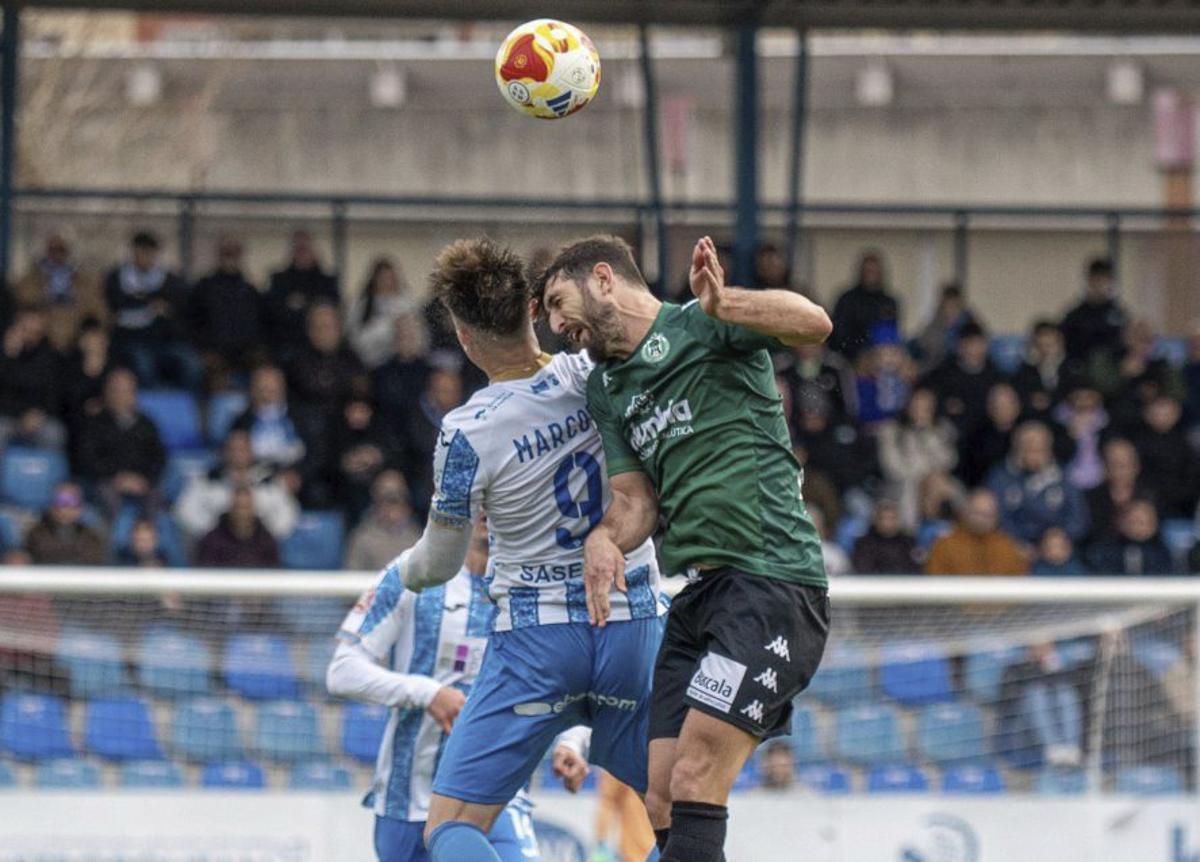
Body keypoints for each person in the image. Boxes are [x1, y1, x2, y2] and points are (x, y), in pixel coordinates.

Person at [538, 234, 831, 862]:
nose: (558, 326)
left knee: (698, 778)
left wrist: (729, 306)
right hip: (698, 596)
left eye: (559, 303)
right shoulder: (607, 388)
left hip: (770, 582)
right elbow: (635, 503)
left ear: (603, 278)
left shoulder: (705, 323)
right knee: (662, 797)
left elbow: (814, 324)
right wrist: (602, 539)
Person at [391, 238, 663, 862]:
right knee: (679, 815)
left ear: (464, 337)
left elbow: (438, 563)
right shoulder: (597, 369)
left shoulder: (465, 431)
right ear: (535, 312)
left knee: (451, 826)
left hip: (538, 643)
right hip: (634, 620)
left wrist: (401, 574)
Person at [328, 519, 588, 862]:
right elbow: (342, 670)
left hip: (498, 796)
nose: (486, 509)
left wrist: (571, 740)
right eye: (480, 493)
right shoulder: (412, 573)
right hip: (406, 798)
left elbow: (572, 682)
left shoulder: (541, 589)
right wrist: (427, 693)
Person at [103, 230, 201, 390]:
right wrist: (147, 308)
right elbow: (116, 311)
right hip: (130, 343)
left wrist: (166, 312)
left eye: (150, 253)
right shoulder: (116, 279)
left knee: (191, 363)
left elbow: (178, 311)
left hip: (164, 342)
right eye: (141, 252)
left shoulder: (169, 280)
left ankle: (184, 407)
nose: (145, 257)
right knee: (144, 365)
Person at [174, 429, 299, 542]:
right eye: (233, 449)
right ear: (224, 452)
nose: (238, 454)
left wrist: (263, 535)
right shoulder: (207, 480)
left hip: (260, 548)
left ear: (251, 452)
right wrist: (214, 532)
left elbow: (287, 514)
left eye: (242, 449)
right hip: (216, 548)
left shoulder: (269, 481)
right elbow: (185, 511)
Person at [76, 368, 166, 516]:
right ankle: (109, 538)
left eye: (126, 391)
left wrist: (144, 479)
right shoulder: (93, 425)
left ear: (134, 394)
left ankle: (147, 537)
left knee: (155, 496)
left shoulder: (147, 424)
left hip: (140, 481)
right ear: (106, 393)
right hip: (106, 481)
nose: (120, 396)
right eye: (115, 390)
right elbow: (87, 459)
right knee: (107, 497)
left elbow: (158, 457)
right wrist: (116, 477)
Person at [985, 421, 1089, 545]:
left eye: (1039, 447)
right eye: (1027, 446)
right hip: (1012, 547)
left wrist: (1060, 538)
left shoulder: (1063, 476)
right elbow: (995, 518)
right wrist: (1018, 543)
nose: (1033, 452)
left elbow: (1079, 518)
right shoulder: (999, 477)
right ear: (1016, 447)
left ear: (1048, 449)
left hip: (1057, 548)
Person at [187, 237, 265, 389]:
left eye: (233, 253)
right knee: (212, 374)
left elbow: (262, 326)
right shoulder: (203, 288)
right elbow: (191, 323)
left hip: (246, 353)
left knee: (264, 369)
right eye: (226, 252)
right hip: (213, 354)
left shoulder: (250, 292)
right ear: (219, 255)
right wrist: (203, 351)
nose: (230, 257)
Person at [877, 388, 960, 531]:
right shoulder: (891, 431)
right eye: (916, 405)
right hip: (902, 488)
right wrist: (923, 477)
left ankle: (948, 531)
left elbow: (949, 462)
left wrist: (928, 435)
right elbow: (893, 469)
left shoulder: (942, 430)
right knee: (928, 484)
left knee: (943, 484)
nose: (920, 411)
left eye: (926, 407)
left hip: (936, 487)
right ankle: (911, 534)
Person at [12, 233, 106, 353]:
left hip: (75, 342)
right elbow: (22, 301)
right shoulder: (32, 280)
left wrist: (88, 330)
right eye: (52, 250)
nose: (56, 255)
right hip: (40, 342)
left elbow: (98, 310)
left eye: (61, 250)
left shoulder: (83, 282)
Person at [919, 320, 1005, 443]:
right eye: (969, 344)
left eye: (978, 343)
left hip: (986, 432)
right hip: (951, 433)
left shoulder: (995, 374)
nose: (973, 349)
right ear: (960, 346)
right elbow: (928, 393)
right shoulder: (944, 371)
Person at [263, 229, 340, 363]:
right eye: (299, 249)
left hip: (322, 349)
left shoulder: (327, 281)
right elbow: (276, 314)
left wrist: (299, 306)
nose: (302, 254)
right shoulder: (279, 280)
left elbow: (331, 311)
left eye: (305, 249)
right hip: (288, 346)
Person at [0, 305, 66, 451]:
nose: (30, 336)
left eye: (36, 332)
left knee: (55, 433)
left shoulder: (49, 356)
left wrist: (39, 413)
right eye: (26, 330)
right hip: (8, 416)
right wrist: (7, 355)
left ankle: (47, 475)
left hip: (38, 418)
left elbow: (54, 394)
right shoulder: (5, 353)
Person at [924, 489, 1028, 576]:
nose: (982, 519)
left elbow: (1019, 585)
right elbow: (935, 584)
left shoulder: (1007, 547)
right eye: (977, 513)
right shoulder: (944, 545)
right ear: (966, 512)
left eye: (988, 515)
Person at [344, 470, 422, 571]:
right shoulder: (361, 539)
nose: (393, 505)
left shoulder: (418, 537)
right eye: (388, 498)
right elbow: (351, 577)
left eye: (399, 497)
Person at [829, 250, 900, 361]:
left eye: (874, 272)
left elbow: (890, 336)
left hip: (880, 359)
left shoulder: (889, 302)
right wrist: (859, 356)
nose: (871, 276)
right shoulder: (847, 300)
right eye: (868, 271)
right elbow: (839, 335)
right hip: (848, 358)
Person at [349, 257, 418, 369]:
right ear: (374, 279)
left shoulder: (406, 304)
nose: (387, 282)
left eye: (390, 278)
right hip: (368, 362)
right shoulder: (361, 305)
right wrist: (388, 324)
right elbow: (356, 339)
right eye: (383, 278)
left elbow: (417, 336)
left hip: (399, 364)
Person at [1084, 438, 1155, 546]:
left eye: (1126, 464)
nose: (1121, 470)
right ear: (1105, 467)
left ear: (1137, 466)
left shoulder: (1150, 495)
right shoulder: (1092, 497)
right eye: (1115, 464)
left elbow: (1153, 533)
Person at [1058, 257, 1127, 366]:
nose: (1101, 285)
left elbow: (1126, 346)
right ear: (1089, 281)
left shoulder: (1119, 314)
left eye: (1106, 280)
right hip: (1081, 372)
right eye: (1097, 280)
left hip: (1113, 373)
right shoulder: (1074, 316)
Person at [193, 486, 282, 569]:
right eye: (238, 507)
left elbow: (274, 575)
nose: (241, 513)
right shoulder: (212, 541)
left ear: (253, 509)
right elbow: (204, 575)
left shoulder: (266, 542)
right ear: (231, 508)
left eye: (246, 507)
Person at [1011, 320, 1086, 417]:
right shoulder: (1027, 370)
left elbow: (1078, 394)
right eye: (1040, 346)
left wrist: (1050, 400)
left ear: (1060, 342)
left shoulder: (1074, 367)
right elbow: (1020, 394)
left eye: (1049, 345)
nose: (1045, 351)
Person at [1084, 499, 1175, 576]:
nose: (1137, 527)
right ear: (1120, 522)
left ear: (1154, 524)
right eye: (1133, 521)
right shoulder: (1103, 552)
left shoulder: (1164, 553)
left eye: (1142, 522)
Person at [24, 482, 107, 566]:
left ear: (80, 508)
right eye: (62, 502)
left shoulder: (91, 537)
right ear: (52, 506)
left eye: (73, 502)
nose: (67, 508)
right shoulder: (36, 535)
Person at [912, 282, 977, 374]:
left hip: (964, 371)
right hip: (938, 368)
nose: (950, 312)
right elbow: (925, 344)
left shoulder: (971, 324)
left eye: (954, 307)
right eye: (947, 307)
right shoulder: (935, 324)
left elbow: (977, 347)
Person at [851, 499, 920, 575]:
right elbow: (862, 570)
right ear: (876, 520)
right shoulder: (864, 544)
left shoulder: (908, 543)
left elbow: (914, 569)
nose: (887, 523)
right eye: (884, 518)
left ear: (898, 520)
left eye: (892, 518)